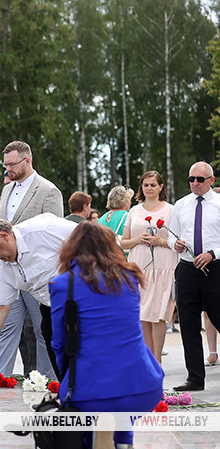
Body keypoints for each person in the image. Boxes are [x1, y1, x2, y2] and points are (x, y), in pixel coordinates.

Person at [49, 222, 163, 448]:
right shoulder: (129, 277)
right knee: (122, 412)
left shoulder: (63, 284)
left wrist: (68, 379)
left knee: (88, 425)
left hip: (92, 390)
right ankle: (123, 443)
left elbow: (59, 343)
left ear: (71, 247)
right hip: (143, 385)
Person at [0, 214, 76, 379]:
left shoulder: (44, 229)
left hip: (81, 301)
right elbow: (0, 306)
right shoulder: (5, 268)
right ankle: (68, 396)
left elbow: (88, 237)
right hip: (51, 308)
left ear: (4, 236)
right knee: (56, 353)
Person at [0, 141, 63, 377]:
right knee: (7, 327)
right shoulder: (6, 189)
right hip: (9, 270)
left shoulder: (48, 190)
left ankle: (47, 380)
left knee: (43, 330)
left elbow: (56, 234)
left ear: (27, 161)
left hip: (39, 273)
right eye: (5, 165)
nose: (8, 170)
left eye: (12, 164)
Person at [168, 162, 220, 391]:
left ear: (212, 180)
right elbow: (171, 236)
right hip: (187, 270)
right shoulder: (181, 205)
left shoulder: (219, 204)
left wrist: (212, 253)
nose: (195, 184)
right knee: (188, 325)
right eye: (191, 179)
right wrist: (175, 243)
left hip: (215, 269)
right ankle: (195, 378)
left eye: (200, 179)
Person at [120, 171, 175, 365]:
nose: (149, 188)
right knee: (142, 313)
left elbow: (176, 242)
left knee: (158, 314)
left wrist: (159, 240)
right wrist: (138, 239)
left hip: (163, 267)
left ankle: (157, 358)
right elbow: (123, 243)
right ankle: (147, 358)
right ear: (141, 188)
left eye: (153, 185)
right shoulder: (134, 211)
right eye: (145, 185)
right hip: (138, 267)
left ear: (161, 187)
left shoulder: (170, 210)